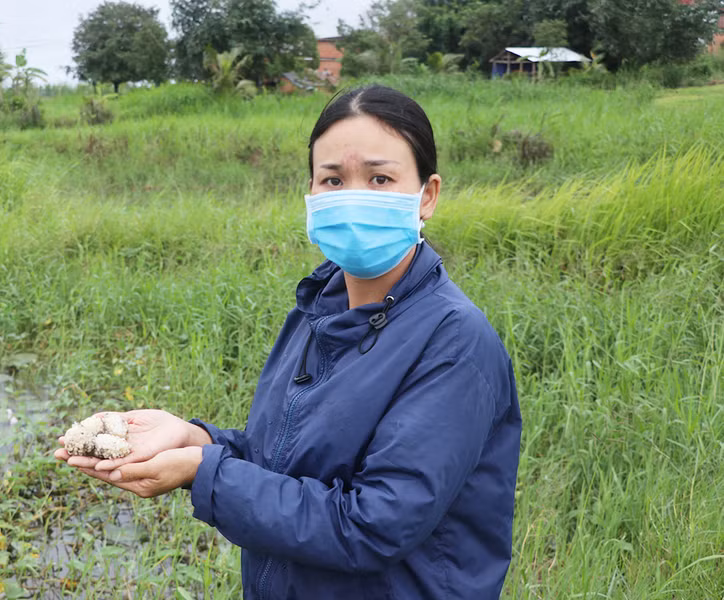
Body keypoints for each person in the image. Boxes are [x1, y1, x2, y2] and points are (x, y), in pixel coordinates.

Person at [55, 84, 522, 599]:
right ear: (311, 192)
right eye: (333, 179)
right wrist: (197, 440)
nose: (352, 197)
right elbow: (282, 462)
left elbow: (372, 526)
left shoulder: (454, 342)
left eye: (380, 178)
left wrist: (199, 471)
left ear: (427, 195)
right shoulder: (320, 307)